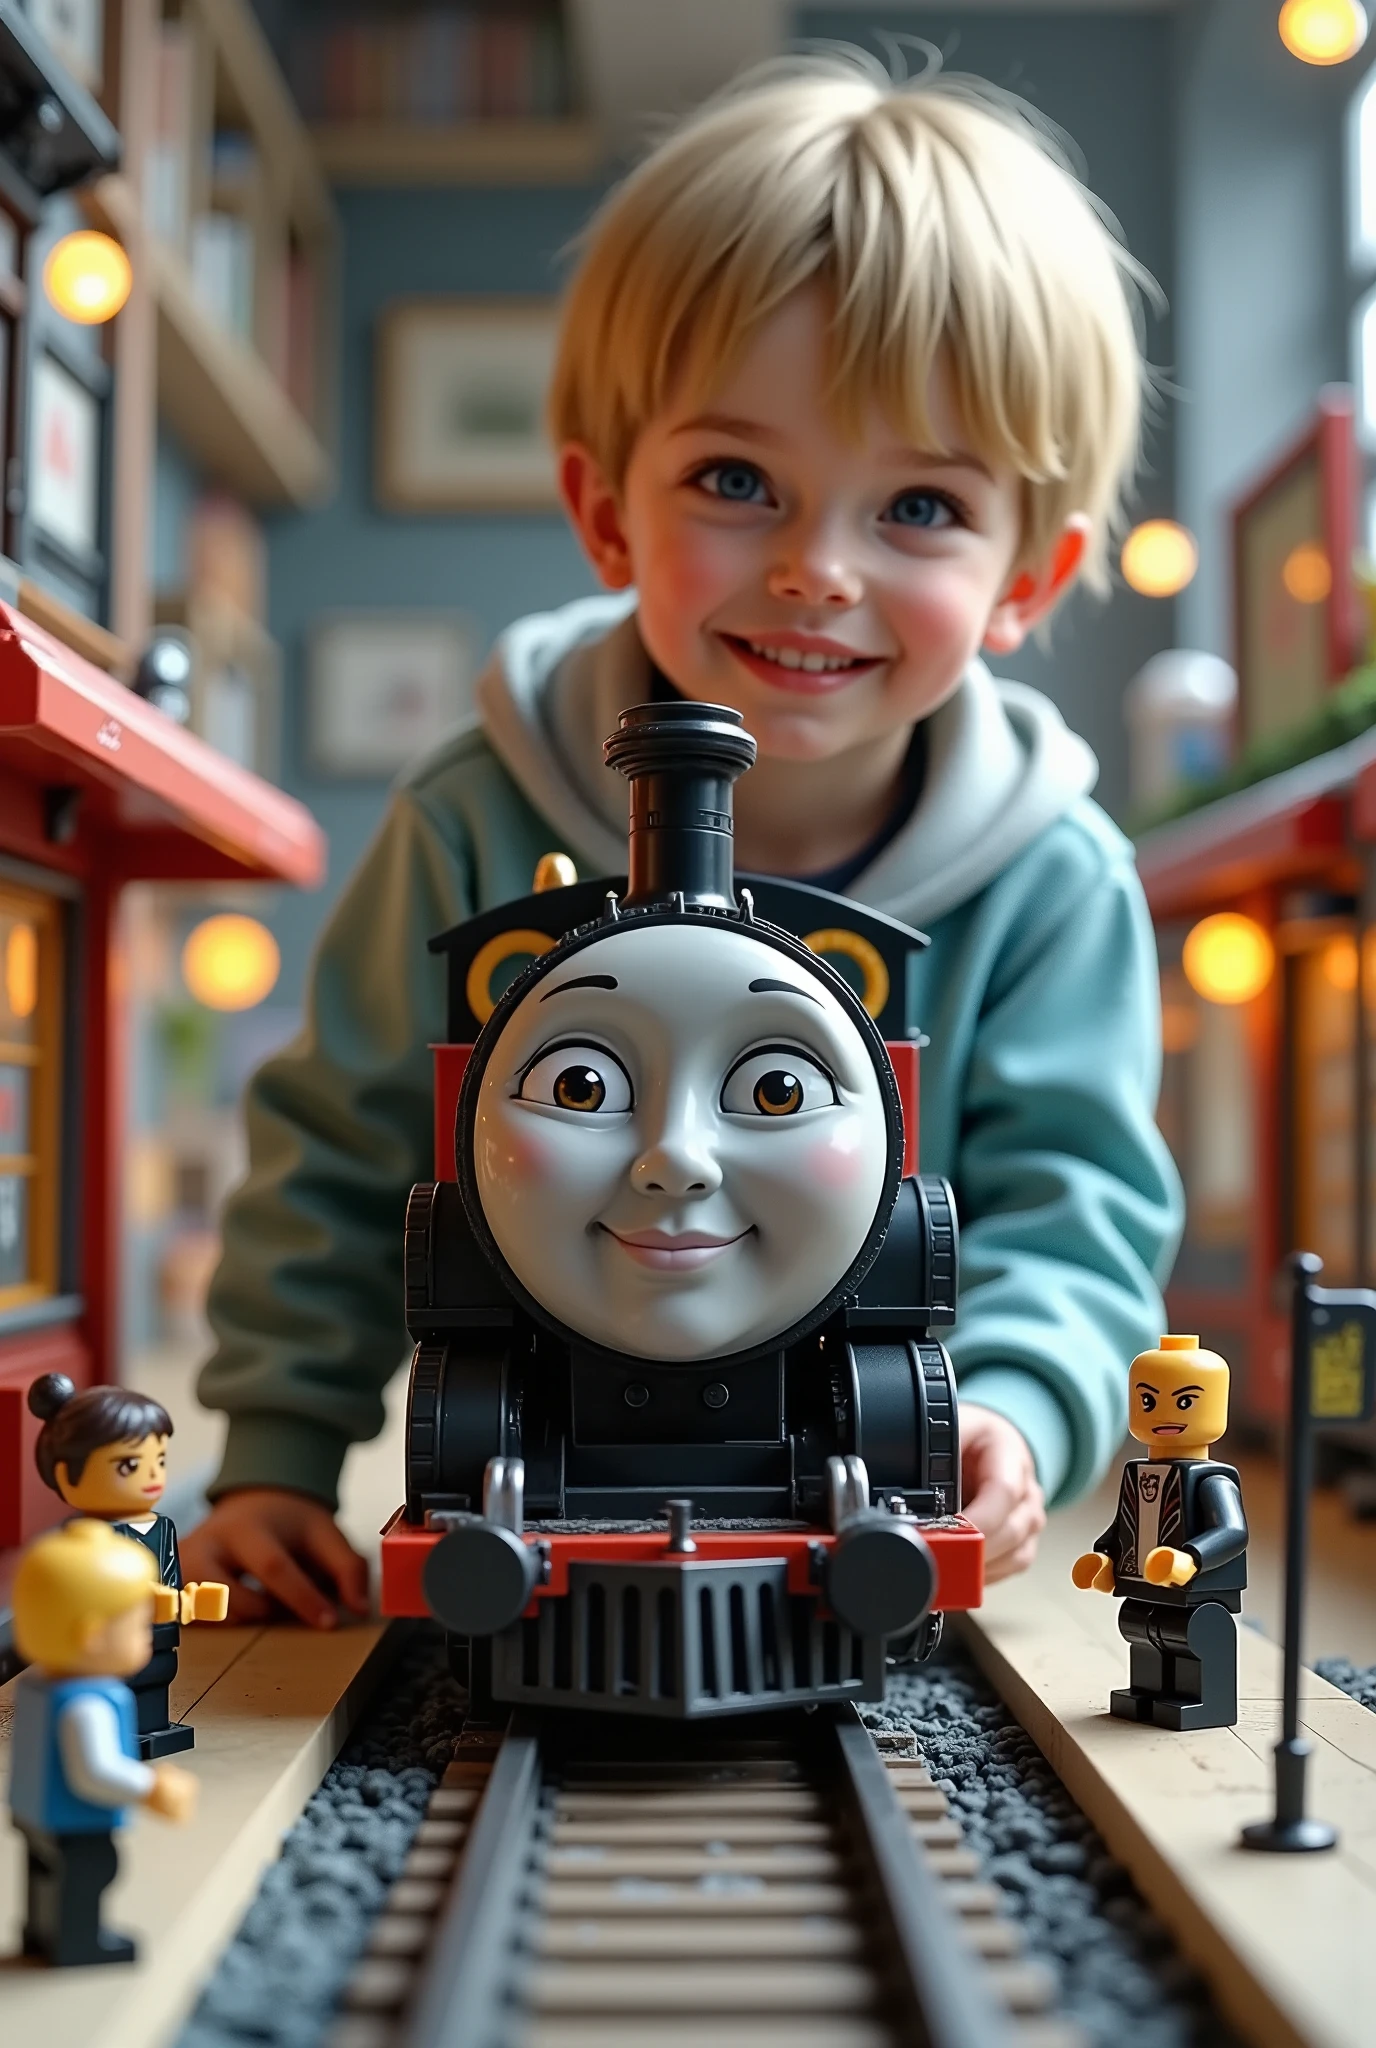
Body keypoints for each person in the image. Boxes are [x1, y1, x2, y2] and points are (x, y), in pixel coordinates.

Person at [182, 54, 1182, 1626]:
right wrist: (272, 1457)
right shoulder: (472, 818)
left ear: (1027, 577)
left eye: (917, 507)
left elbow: (1078, 1205)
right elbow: (349, 1153)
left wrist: (1016, 1400)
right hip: (545, 1414)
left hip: (859, 1442)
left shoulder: (1051, 878)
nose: (817, 571)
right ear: (605, 511)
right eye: (738, 480)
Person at [8, 1519, 198, 1965]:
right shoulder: (89, 1703)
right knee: (90, 1872)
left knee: (41, 1873)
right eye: (135, 1627)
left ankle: (39, 1932)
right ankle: (80, 1941)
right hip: (77, 1819)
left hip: (33, 1809)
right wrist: (151, 1789)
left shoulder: (38, 1689)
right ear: (92, 1635)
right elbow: (95, 1771)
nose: (143, 1638)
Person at [29, 1374, 229, 1757]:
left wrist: (188, 1601)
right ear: (66, 1475)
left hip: (159, 1632)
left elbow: (169, 1576)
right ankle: (109, 1736)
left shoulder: (162, 1526)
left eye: (160, 1459)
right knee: (116, 1682)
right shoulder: (87, 1537)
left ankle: (154, 1726)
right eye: (129, 1465)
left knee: (159, 1674)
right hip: (109, 1638)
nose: (152, 1474)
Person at [1072, 1335, 1247, 1730]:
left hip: (1195, 1587)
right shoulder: (1139, 1472)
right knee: (1141, 1628)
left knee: (1192, 1635)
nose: (1165, 1412)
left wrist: (1192, 1558)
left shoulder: (1212, 1479)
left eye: (1185, 1401)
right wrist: (1106, 1557)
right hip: (1144, 1584)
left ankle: (1204, 1701)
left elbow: (1233, 1530)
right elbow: (1126, 1522)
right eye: (1149, 1401)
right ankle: (1149, 1693)